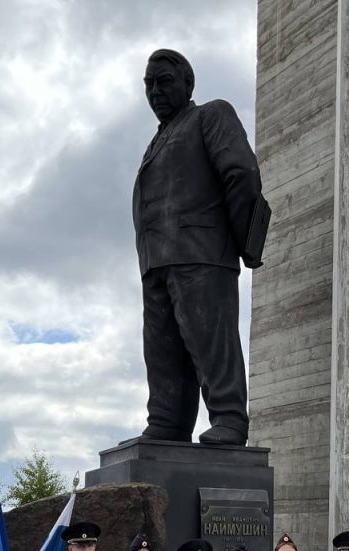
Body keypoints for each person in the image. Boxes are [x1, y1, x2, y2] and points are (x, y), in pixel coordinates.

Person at [133, 48, 267, 446]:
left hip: (203, 254)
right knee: (161, 353)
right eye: (149, 84)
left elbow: (241, 173)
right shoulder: (156, 140)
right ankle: (168, 421)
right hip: (156, 263)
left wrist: (242, 241)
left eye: (164, 81)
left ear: (188, 84)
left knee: (211, 342)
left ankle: (229, 418)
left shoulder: (211, 115)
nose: (155, 91)